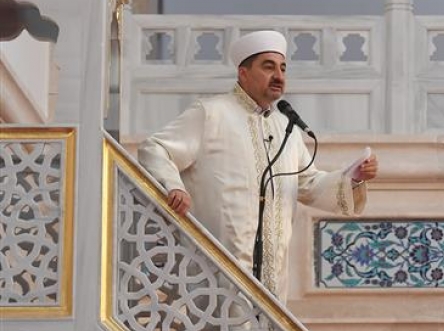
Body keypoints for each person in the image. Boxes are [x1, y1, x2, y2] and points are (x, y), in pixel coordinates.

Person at [138, 30, 378, 303]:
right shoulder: (211, 113)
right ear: (243, 73)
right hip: (218, 275)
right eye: (268, 67)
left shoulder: (286, 128)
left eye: (283, 68)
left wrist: (353, 178)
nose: (279, 76)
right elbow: (154, 149)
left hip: (273, 280)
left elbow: (308, 184)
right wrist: (173, 185)